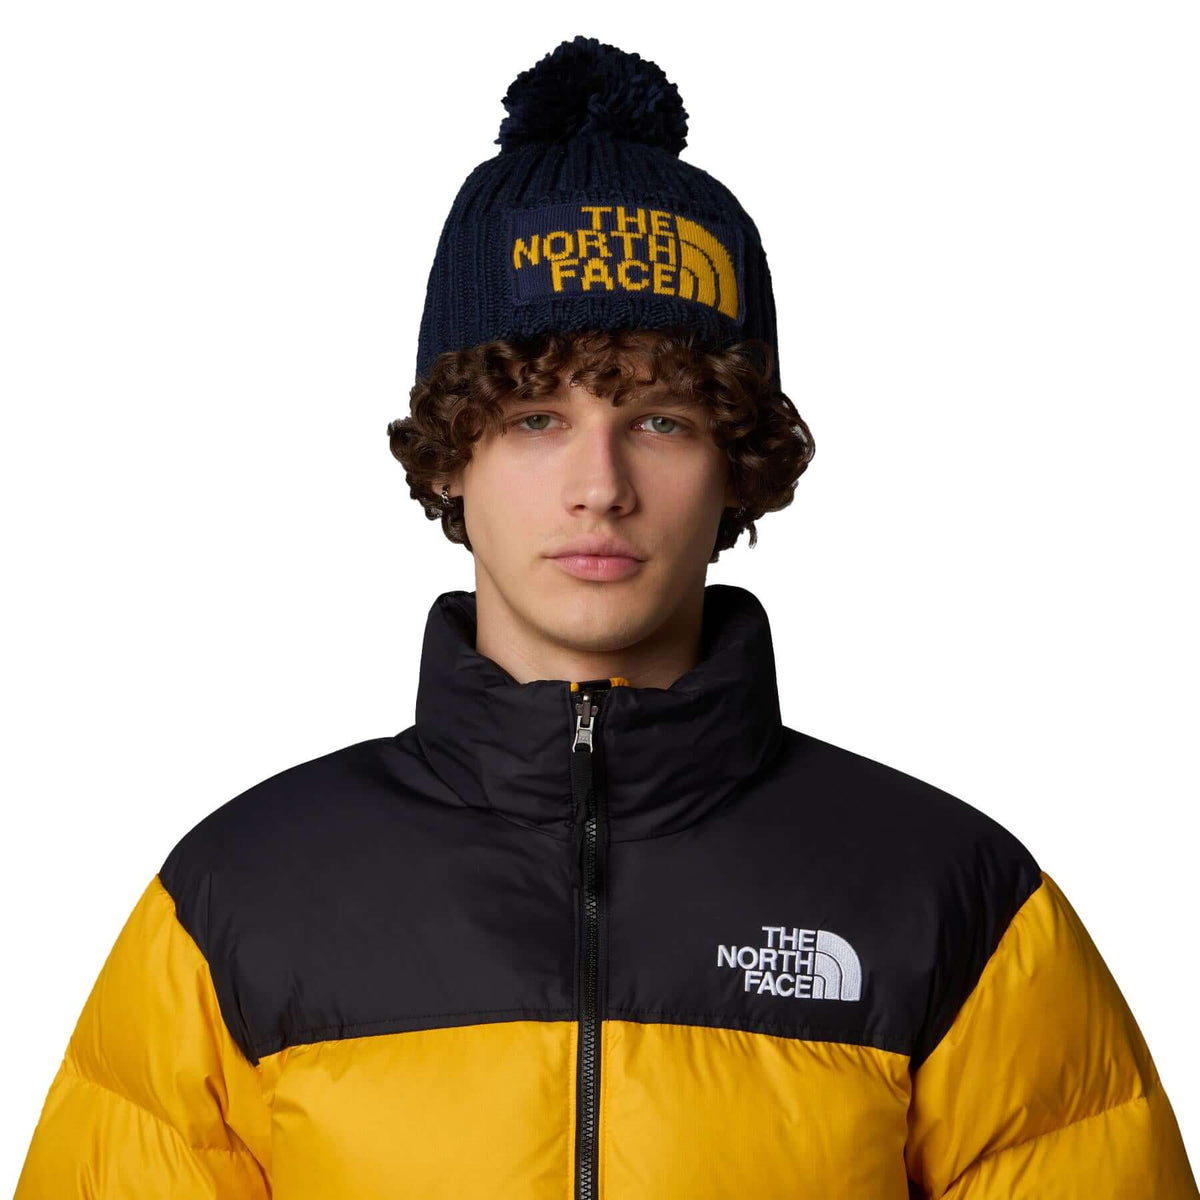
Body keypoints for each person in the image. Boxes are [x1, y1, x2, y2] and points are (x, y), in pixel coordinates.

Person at [13, 33, 1197, 1200]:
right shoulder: (239, 898)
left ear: (737, 464)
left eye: (662, 420)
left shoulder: (951, 898)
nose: (600, 484)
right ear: (450, 454)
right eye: (535, 417)